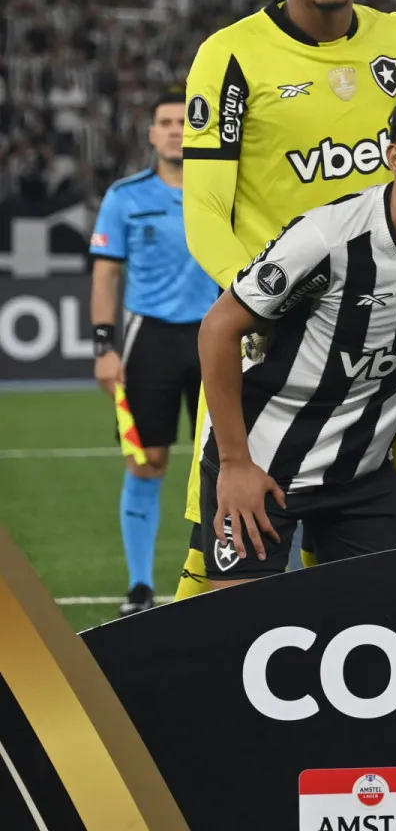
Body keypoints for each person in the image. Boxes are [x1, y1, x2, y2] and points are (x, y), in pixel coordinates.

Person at [175, 0, 396, 599]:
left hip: (371, 341)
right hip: (271, 343)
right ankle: (177, 665)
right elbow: (204, 208)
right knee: (223, 549)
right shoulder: (232, 56)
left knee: (360, 571)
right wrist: (261, 302)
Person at [195, 82, 396, 584]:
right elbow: (219, 328)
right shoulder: (328, 238)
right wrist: (235, 464)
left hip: (362, 476)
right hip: (263, 461)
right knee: (243, 623)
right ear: (395, 157)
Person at [88, 89, 221, 614]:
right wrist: (104, 346)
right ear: (151, 134)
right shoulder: (124, 197)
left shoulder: (222, 190)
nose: (174, 130)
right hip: (151, 342)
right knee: (147, 462)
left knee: (228, 461)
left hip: (217, 338)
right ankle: (140, 588)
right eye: (165, 122)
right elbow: (106, 275)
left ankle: (222, 580)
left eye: (183, 121)